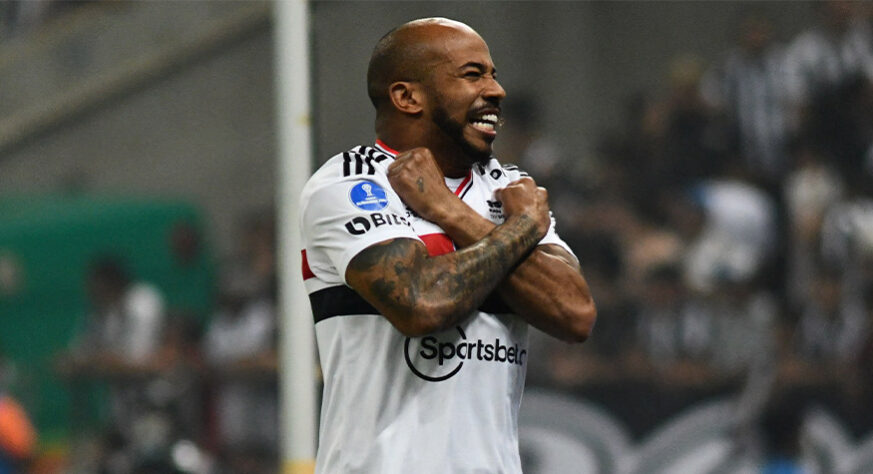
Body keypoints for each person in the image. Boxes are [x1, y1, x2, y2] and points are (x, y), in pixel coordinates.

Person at [299, 18, 596, 473]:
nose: (496, 90)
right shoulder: (350, 182)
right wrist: (518, 233)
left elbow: (574, 314)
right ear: (407, 97)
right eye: (473, 74)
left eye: (493, 74)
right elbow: (420, 304)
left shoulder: (509, 189)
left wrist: (452, 214)